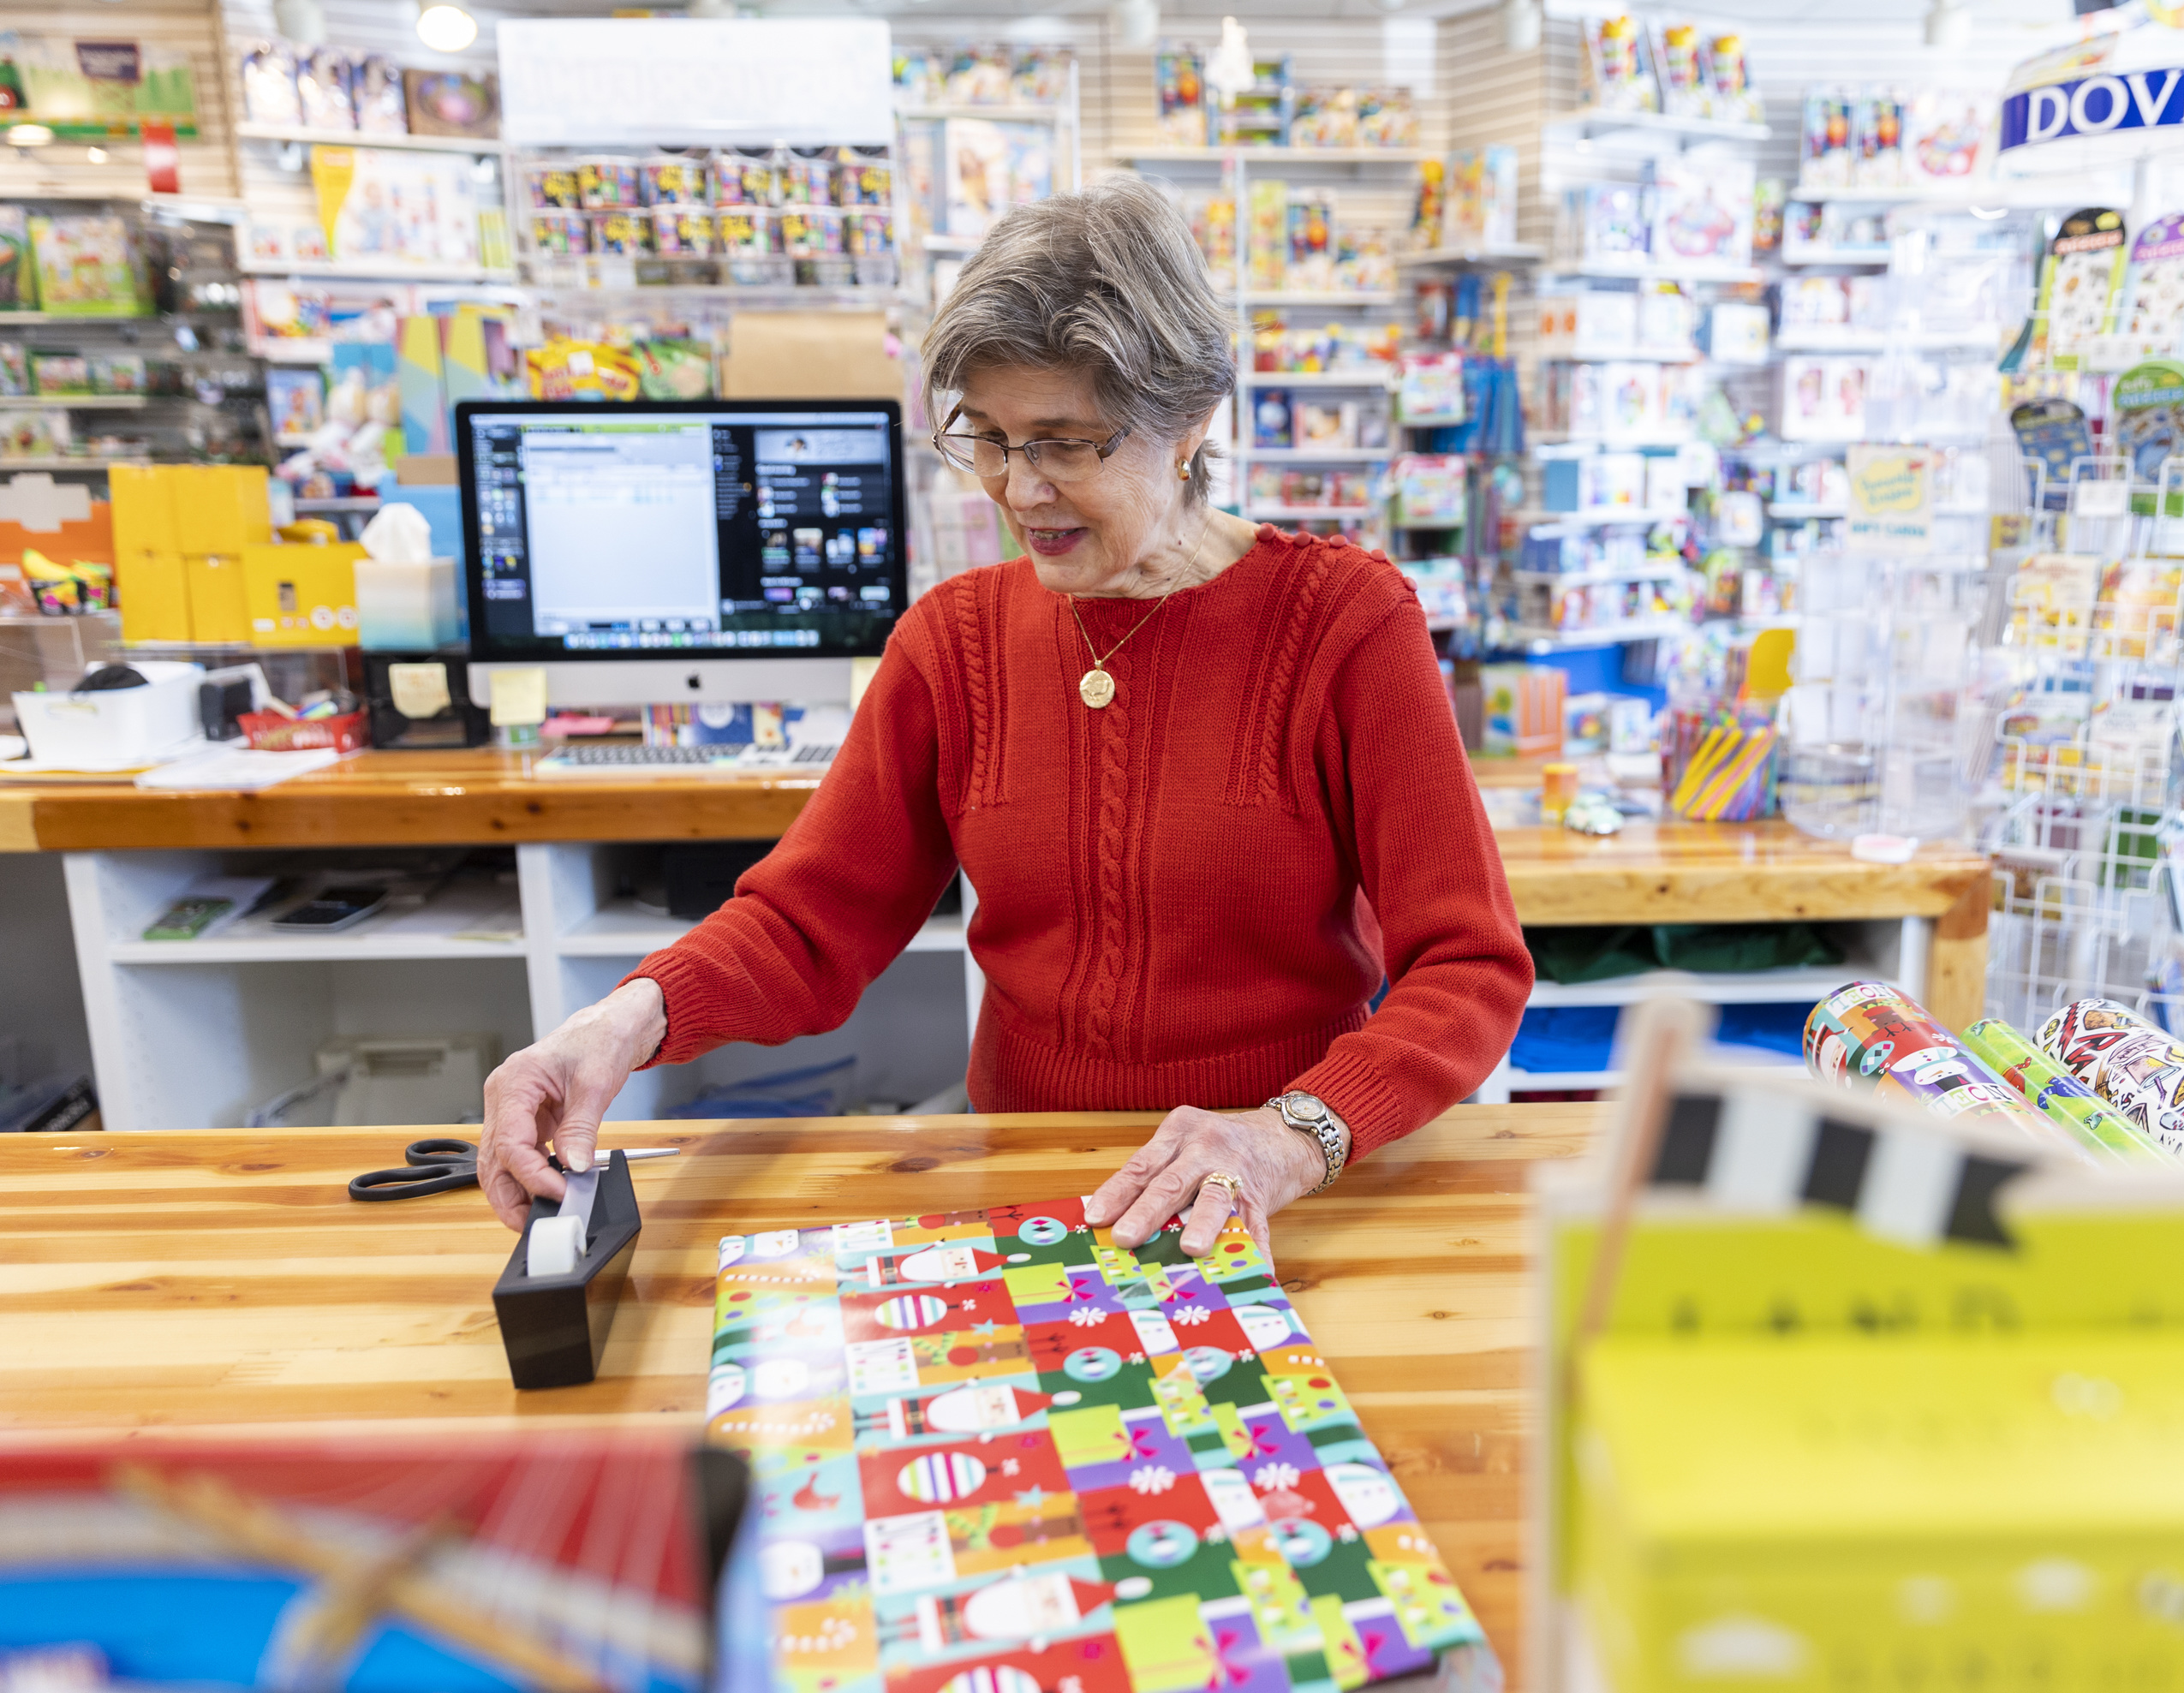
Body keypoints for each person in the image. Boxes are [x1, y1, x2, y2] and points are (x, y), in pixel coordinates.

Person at [477, 177, 1533, 1258]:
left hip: (1278, 1185)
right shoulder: (954, 641)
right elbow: (809, 921)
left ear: (1191, 422)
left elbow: (1470, 965)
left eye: (1065, 442)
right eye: (986, 436)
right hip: (1027, 1178)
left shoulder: (1346, 625)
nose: (1018, 488)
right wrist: (611, 1026)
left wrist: (1290, 1137)